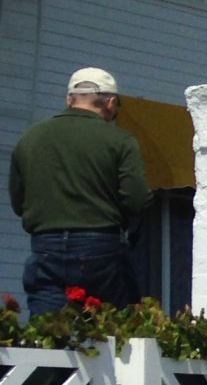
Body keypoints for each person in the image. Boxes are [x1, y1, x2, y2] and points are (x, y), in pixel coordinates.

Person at [8, 67, 151, 316]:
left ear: (69, 99)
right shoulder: (120, 140)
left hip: (45, 245)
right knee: (112, 331)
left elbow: (19, 202)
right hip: (101, 245)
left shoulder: (30, 137)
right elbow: (137, 201)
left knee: (48, 329)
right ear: (110, 102)